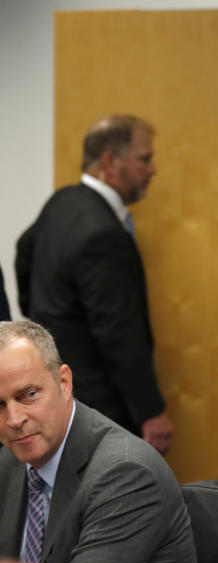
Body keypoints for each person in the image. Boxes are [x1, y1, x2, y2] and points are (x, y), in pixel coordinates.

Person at [15, 115, 173, 454]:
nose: (153, 169)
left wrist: (43, 321)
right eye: (145, 159)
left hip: (63, 392)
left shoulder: (62, 201)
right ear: (109, 162)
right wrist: (150, 411)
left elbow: (23, 250)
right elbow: (119, 332)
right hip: (103, 407)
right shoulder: (102, 231)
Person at [0, 320, 199, 563]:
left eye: (29, 395)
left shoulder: (126, 474)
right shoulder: (10, 462)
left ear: (64, 382)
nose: (14, 419)